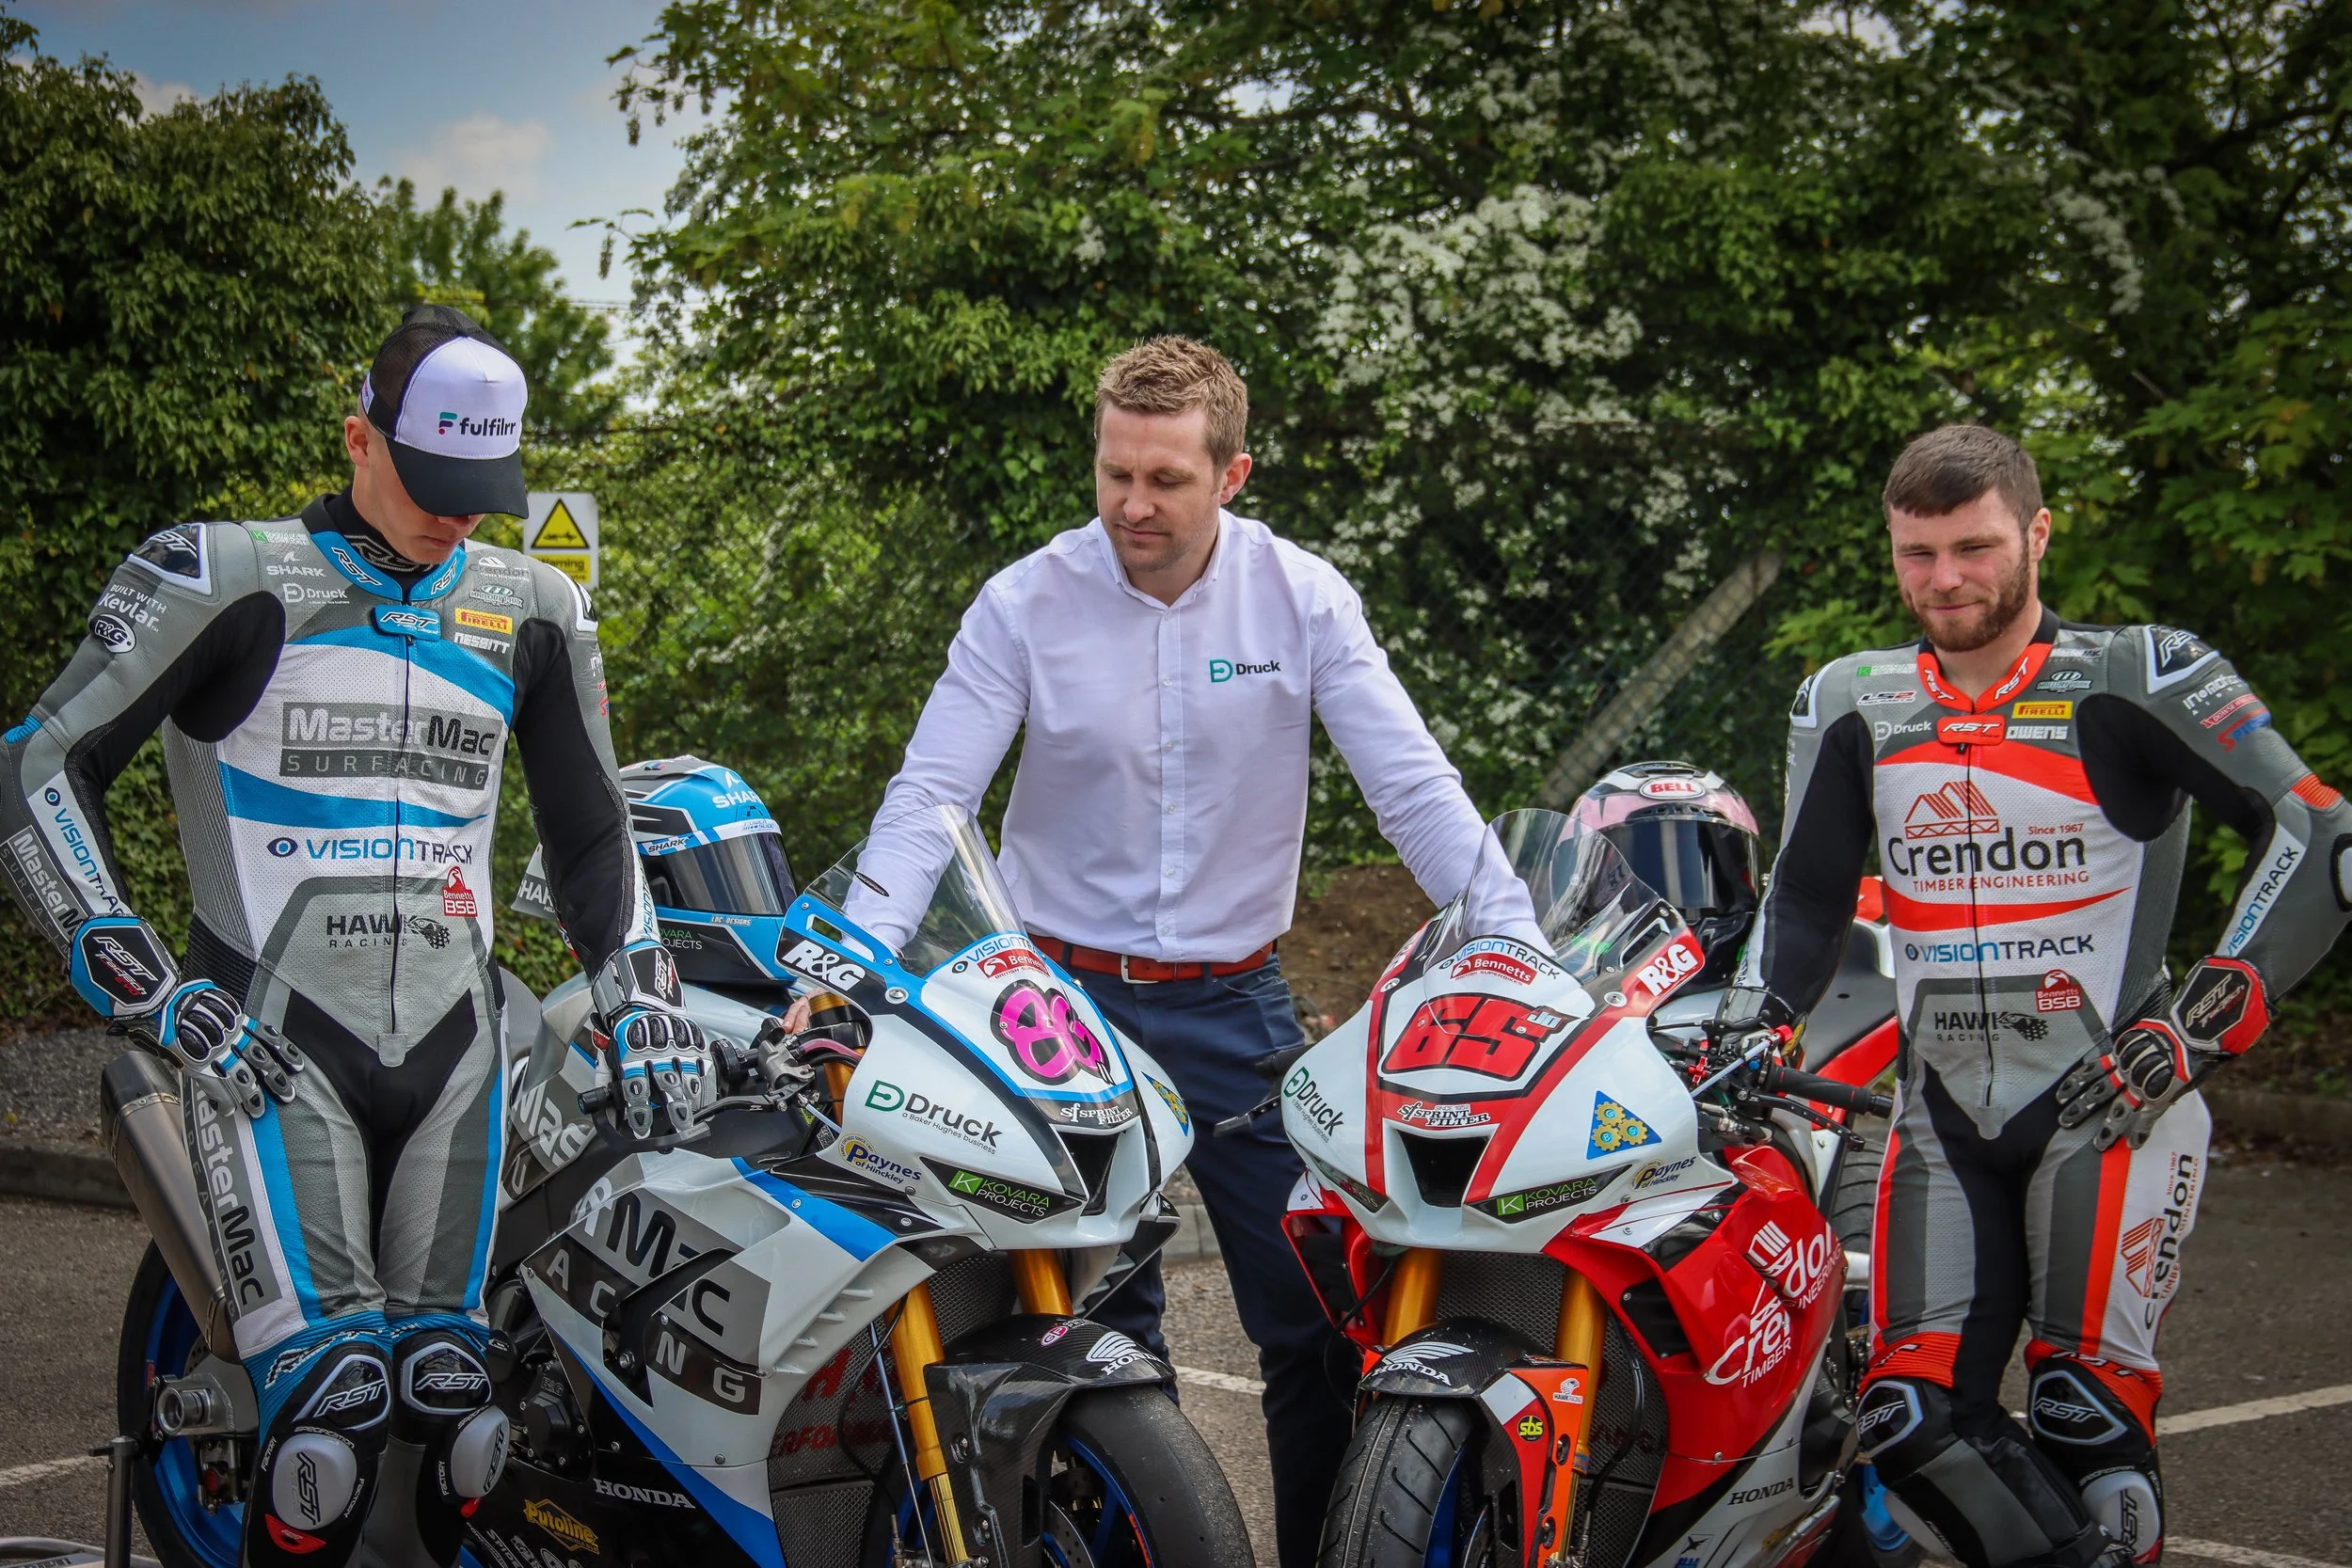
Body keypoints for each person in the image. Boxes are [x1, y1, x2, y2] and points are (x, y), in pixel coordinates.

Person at [0, 306, 709, 1568]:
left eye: (482, 492)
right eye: (434, 485)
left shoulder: (533, 603)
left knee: (460, 1413)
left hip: (459, 1053)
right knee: (327, 1426)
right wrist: (134, 970)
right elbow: (38, 762)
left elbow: (595, 834)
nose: (457, 518)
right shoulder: (223, 573)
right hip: (271, 1045)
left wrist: (638, 989)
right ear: (359, 439)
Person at [851, 335, 1502, 1568]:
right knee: (1091, 1327)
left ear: (1234, 472)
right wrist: (857, 969)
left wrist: (1514, 936)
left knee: (1315, 1318)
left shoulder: (1301, 598)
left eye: (1165, 479)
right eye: (1113, 475)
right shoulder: (1024, 599)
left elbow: (1411, 782)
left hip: (1233, 1001)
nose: (1133, 506)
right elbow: (932, 795)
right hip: (1049, 1004)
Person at [1733, 424, 2351, 1567]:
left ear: (2038, 533)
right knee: (1906, 1419)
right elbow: (1807, 898)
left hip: (2108, 1109)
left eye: (1973, 547)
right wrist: (1742, 1023)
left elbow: (2317, 833)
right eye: (1916, 554)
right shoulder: (1850, 699)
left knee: (2086, 1422)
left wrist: (2195, 1028)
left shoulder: (2139, 673)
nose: (1945, 580)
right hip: (1939, 1119)